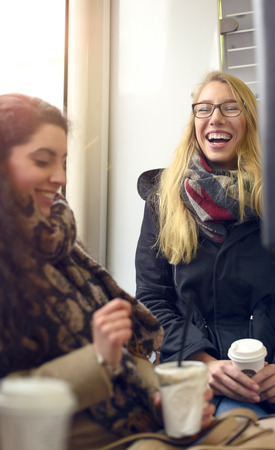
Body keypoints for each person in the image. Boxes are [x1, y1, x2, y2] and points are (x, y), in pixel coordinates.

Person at [0, 93, 215, 449]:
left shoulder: (59, 240)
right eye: (42, 161)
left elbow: (127, 359)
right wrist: (97, 358)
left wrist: (160, 402)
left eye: (64, 162)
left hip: (145, 427)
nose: (59, 178)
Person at [135, 70, 275, 418]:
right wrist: (203, 362)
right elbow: (152, 299)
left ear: (250, 121)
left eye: (230, 108)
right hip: (197, 377)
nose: (216, 118)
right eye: (204, 108)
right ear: (194, 120)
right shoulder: (163, 201)